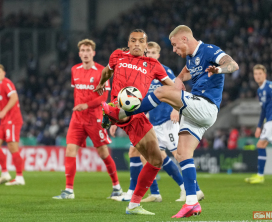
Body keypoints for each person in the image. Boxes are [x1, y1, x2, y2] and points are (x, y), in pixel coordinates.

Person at [101, 25, 239, 218]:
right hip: (196, 112)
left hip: (205, 105)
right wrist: (179, 82)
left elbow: (233, 64)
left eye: (174, 45)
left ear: (184, 39)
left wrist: (219, 69)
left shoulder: (208, 50)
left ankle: (122, 113)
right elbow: (180, 78)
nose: (173, 50)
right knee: (182, 153)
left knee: (159, 92)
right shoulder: (191, 60)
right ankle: (192, 202)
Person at [93, 29, 175, 215]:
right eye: (133, 41)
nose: (137, 44)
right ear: (128, 43)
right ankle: (114, 111)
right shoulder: (118, 55)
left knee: (155, 160)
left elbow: (170, 87)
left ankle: (134, 204)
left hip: (138, 114)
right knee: (122, 105)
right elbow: (107, 71)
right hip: (120, 106)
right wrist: (100, 83)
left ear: (146, 46)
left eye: (141, 41)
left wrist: (179, 102)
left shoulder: (153, 65)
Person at [111, 42, 204, 203]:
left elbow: (178, 90)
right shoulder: (143, 73)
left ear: (158, 55)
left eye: (154, 52)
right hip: (153, 122)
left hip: (168, 121)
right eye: (149, 52)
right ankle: (155, 193)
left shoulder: (164, 71)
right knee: (146, 156)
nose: (151, 55)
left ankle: (194, 190)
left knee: (179, 155)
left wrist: (176, 110)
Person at [53, 39, 122, 200]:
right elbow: (77, 92)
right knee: (70, 150)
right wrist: (80, 106)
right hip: (77, 119)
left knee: (103, 152)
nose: (85, 53)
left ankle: (117, 187)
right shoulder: (74, 70)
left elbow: (104, 97)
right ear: (79, 53)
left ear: (93, 53)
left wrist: (86, 105)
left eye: (88, 50)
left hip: (95, 118)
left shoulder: (102, 71)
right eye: (82, 50)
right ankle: (69, 191)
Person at [0, 64, 25, 186]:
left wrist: (4, 111)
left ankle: (19, 177)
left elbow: (14, 97)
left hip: (13, 120)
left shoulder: (6, 82)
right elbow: (1, 104)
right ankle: (5, 173)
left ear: (4, 73)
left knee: (13, 148)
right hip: (4, 122)